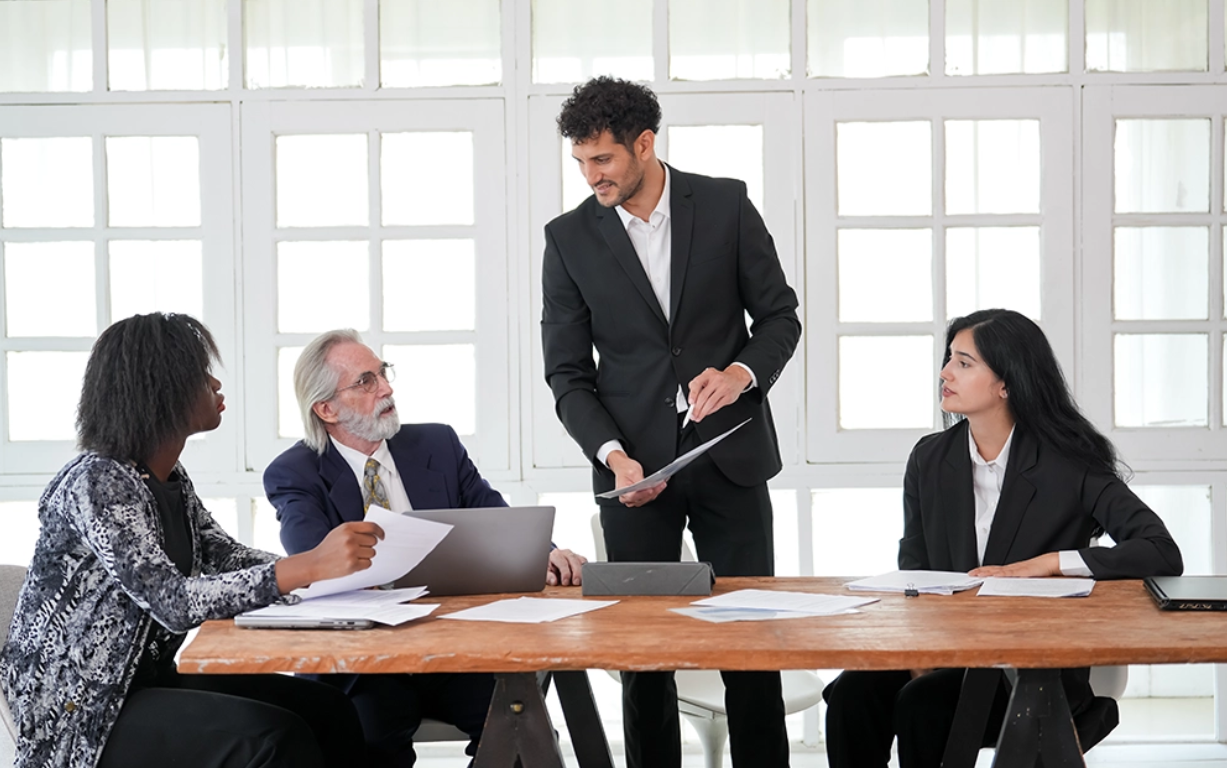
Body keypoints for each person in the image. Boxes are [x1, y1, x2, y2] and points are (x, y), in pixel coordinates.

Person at [541, 76, 801, 768]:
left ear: (644, 144)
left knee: (750, 645)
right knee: (642, 656)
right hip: (634, 471)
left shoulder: (724, 203)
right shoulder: (567, 240)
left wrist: (741, 374)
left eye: (603, 160)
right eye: (581, 163)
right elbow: (566, 374)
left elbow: (779, 316)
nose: (591, 175)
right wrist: (612, 457)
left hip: (730, 457)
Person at [0, 313, 381, 768]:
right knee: (276, 740)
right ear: (162, 390)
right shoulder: (96, 482)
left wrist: (328, 579)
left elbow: (223, 556)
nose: (216, 385)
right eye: (200, 375)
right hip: (82, 714)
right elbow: (172, 600)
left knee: (328, 709)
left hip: (143, 683)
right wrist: (307, 568)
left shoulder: (167, 477)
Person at [823, 308, 1184, 768]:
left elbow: (1160, 550)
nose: (945, 373)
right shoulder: (930, 458)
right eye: (949, 358)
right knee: (853, 695)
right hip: (944, 650)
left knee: (923, 705)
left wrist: (1051, 562)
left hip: (1029, 668)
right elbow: (912, 570)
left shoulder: (1070, 461)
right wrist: (918, 651)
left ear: (1006, 383)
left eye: (964, 363)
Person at [264, 328, 587, 767]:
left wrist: (545, 552)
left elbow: (495, 517)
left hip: (453, 650)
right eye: (365, 381)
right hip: (364, 664)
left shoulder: (438, 443)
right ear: (326, 409)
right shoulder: (294, 473)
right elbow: (312, 559)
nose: (386, 388)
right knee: (370, 741)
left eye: (383, 373)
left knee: (522, 731)